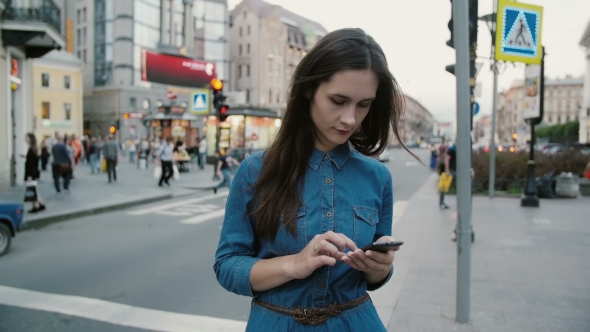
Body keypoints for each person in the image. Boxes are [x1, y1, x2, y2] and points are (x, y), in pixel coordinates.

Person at [214, 28, 411, 331]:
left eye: (363, 104)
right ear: (309, 90)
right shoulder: (256, 171)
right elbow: (227, 266)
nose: (350, 119)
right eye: (338, 100)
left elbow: (374, 279)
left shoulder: (378, 177)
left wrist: (380, 268)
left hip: (357, 321)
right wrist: (294, 264)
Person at [22, 133, 45, 213]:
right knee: (33, 190)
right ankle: (38, 205)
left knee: (32, 190)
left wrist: (29, 175)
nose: (25, 139)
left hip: (31, 173)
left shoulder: (32, 149)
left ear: (31, 139)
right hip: (33, 172)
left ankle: (37, 205)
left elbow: (31, 164)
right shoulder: (34, 148)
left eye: (26, 138)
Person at [439, 142, 457, 209]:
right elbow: (446, 159)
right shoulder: (451, 149)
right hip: (451, 171)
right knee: (444, 187)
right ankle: (441, 203)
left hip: (456, 171)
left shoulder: (459, 149)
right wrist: (447, 170)